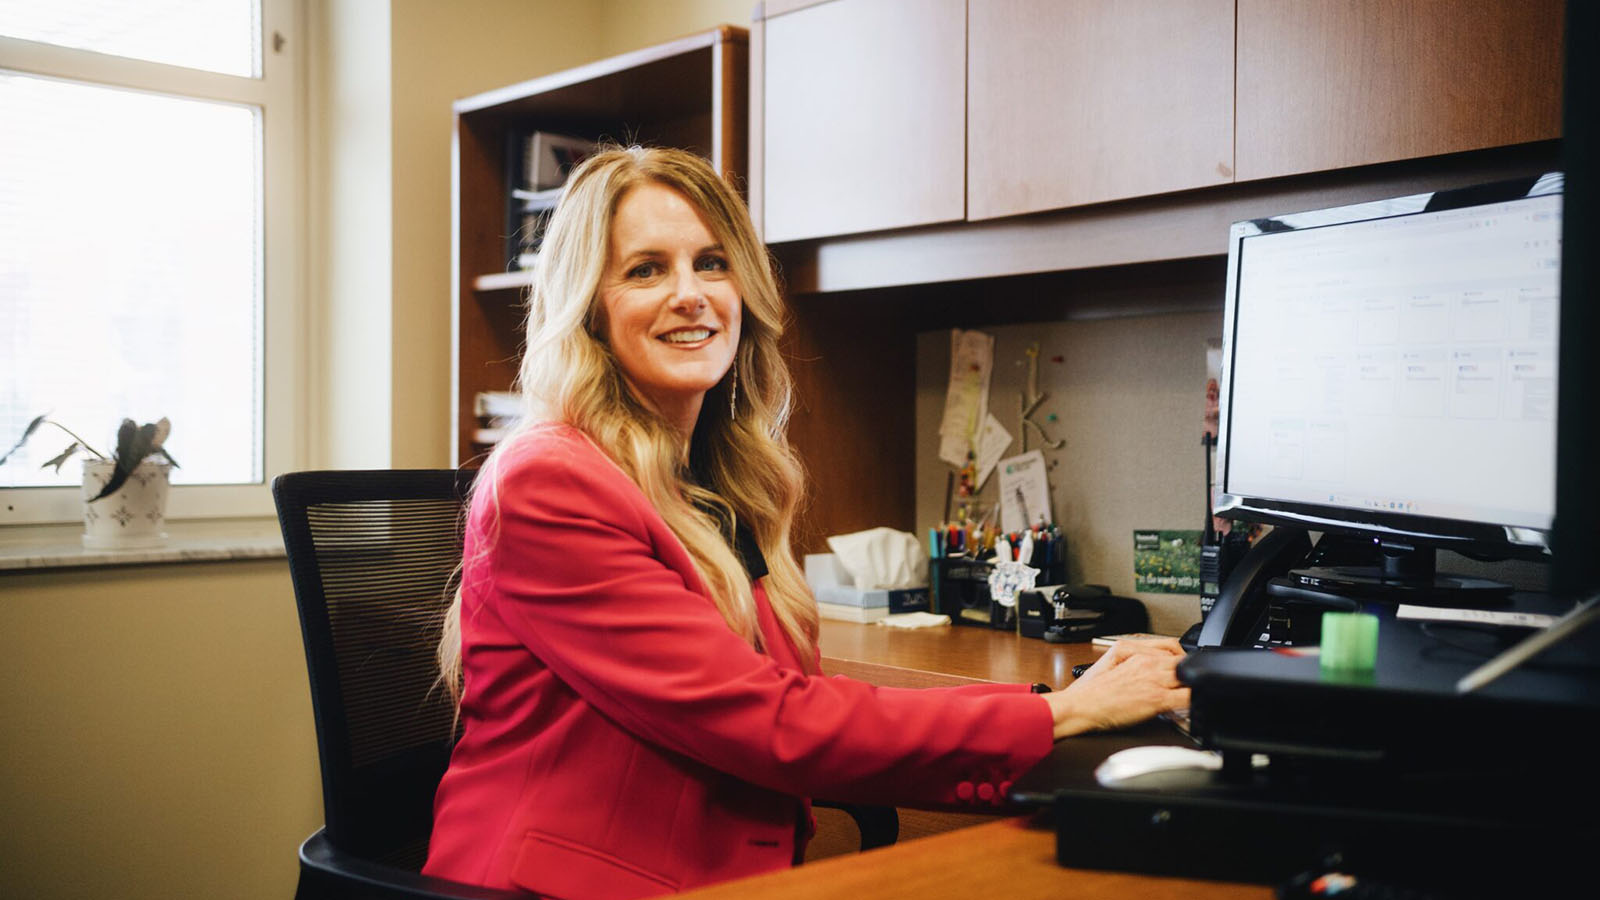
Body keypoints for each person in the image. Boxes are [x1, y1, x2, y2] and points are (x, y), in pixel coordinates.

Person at [423, 146, 1189, 899]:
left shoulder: (707, 479)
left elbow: (792, 693)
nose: (691, 294)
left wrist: (1052, 709)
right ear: (587, 307)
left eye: (712, 262)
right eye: (645, 269)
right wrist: (1066, 711)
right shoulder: (550, 479)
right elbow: (771, 722)